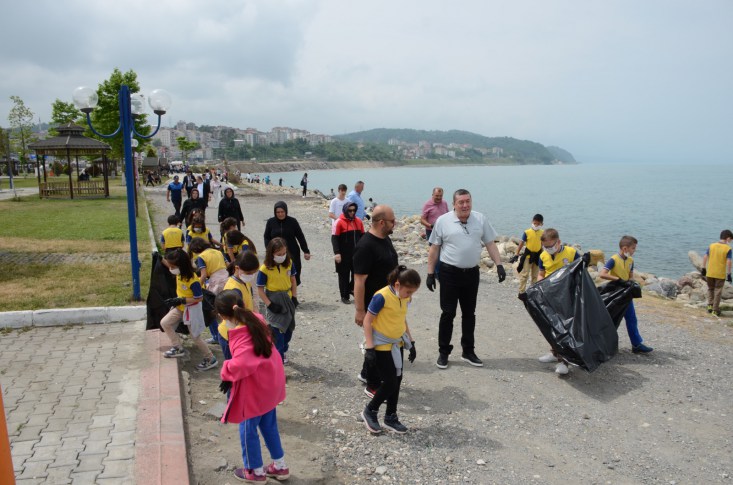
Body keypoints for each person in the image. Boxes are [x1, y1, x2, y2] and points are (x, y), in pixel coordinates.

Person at [426, 189, 506, 370]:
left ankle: (468, 351)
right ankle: (444, 352)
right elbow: (434, 249)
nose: (465, 205)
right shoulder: (443, 221)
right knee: (448, 313)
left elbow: (490, 243)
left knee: (469, 314)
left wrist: (499, 265)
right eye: (460, 202)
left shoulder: (480, 219)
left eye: (467, 201)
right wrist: (430, 274)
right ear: (454, 204)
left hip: (471, 274)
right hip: (449, 273)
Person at [216, 290, 290, 482]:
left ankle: (255, 471)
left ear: (223, 316)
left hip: (255, 390)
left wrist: (225, 370)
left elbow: (241, 364)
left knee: (248, 430)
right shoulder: (256, 320)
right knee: (269, 426)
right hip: (270, 383)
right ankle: (280, 466)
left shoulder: (241, 335)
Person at [360, 266, 419, 435]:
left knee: (397, 380)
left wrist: (411, 342)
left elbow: (402, 318)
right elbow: (367, 321)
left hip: (397, 342)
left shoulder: (404, 297)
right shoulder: (381, 296)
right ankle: (370, 411)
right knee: (390, 381)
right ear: (397, 284)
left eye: (412, 293)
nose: (410, 296)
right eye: (408, 292)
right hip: (380, 344)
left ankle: (390, 417)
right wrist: (369, 348)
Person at [353, 205, 399, 397]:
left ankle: (365, 374)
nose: (395, 223)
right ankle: (372, 385)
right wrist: (360, 310)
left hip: (389, 301)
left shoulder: (384, 238)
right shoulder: (365, 246)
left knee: (379, 341)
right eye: (392, 221)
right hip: (374, 304)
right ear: (381, 223)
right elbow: (359, 280)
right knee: (378, 344)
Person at [159, 249, 218, 371]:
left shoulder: (192, 280)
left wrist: (182, 300)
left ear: (181, 265)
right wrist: (160, 258)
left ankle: (210, 358)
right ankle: (177, 347)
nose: (171, 269)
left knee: (195, 336)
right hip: (180, 308)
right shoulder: (179, 274)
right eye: (170, 266)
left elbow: (199, 298)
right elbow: (169, 264)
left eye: (173, 267)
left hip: (192, 310)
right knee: (165, 323)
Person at [535, 228, 579, 375]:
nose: (548, 249)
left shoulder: (571, 253)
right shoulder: (543, 255)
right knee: (552, 327)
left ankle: (564, 361)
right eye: (545, 246)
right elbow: (541, 273)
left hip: (567, 297)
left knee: (565, 329)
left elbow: (580, 273)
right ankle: (554, 352)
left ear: (558, 242)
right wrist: (538, 287)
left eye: (550, 246)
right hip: (550, 296)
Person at [600, 235, 654, 353]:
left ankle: (636, 345)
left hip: (626, 294)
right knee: (611, 319)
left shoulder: (630, 261)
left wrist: (633, 284)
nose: (634, 251)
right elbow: (602, 274)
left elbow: (630, 276)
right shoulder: (614, 259)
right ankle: (603, 345)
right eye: (633, 248)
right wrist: (618, 279)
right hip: (615, 294)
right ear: (625, 248)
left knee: (631, 319)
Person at [257, 237, 298, 364]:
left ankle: (283, 350)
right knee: (276, 332)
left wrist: (294, 297)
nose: (282, 256)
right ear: (271, 253)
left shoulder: (289, 263)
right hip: (273, 300)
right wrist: (270, 305)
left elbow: (293, 280)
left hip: (287, 299)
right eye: (279, 254)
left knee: (288, 330)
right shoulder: (264, 269)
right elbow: (260, 289)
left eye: (284, 253)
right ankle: (278, 360)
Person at [217, 251, 261, 359]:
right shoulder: (234, 289)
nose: (252, 276)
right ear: (237, 268)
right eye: (249, 273)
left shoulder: (243, 280)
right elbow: (236, 316)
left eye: (254, 273)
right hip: (231, 335)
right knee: (235, 366)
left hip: (238, 331)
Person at [263, 201, 311, 286]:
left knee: (293, 275)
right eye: (278, 212)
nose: (280, 214)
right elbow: (266, 237)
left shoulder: (293, 221)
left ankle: (293, 293)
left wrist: (306, 251)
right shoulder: (271, 222)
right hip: (276, 254)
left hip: (292, 252)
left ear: (286, 211)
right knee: (278, 274)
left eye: (282, 212)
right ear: (275, 212)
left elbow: (300, 237)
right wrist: (269, 250)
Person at [332, 201, 365, 304]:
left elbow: (363, 237)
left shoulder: (358, 221)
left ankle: (351, 289)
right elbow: (334, 238)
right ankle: (344, 296)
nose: (352, 212)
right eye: (350, 210)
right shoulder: (339, 222)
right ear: (345, 210)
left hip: (356, 254)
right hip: (343, 254)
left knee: (357, 274)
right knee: (343, 276)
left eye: (354, 210)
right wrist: (337, 253)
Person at [509, 214, 544, 296]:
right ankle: (521, 291)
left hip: (537, 256)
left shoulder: (542, 233)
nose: (536, 225)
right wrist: (517, 253)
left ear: (542, 224)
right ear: (532, 222)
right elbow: (521, 243)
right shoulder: (527, 232)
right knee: (525, 274)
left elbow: (543, 245)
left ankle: (533, 292)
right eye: (535, 223)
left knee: (535, 276)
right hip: (528, 256)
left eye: (538, 224)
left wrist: (544, 256)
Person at [700, 229, 733, 317]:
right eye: (731, 240)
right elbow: (729, 262)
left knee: (710, 289)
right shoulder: (728, 248)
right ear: (728, 238)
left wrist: (703, 268)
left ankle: (710, 306)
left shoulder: (712, 245)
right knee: (718, 291)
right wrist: (729, 274)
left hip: (710, 272)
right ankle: (715, 310)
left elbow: (705, 256)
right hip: (719, 274)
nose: (731, 241)